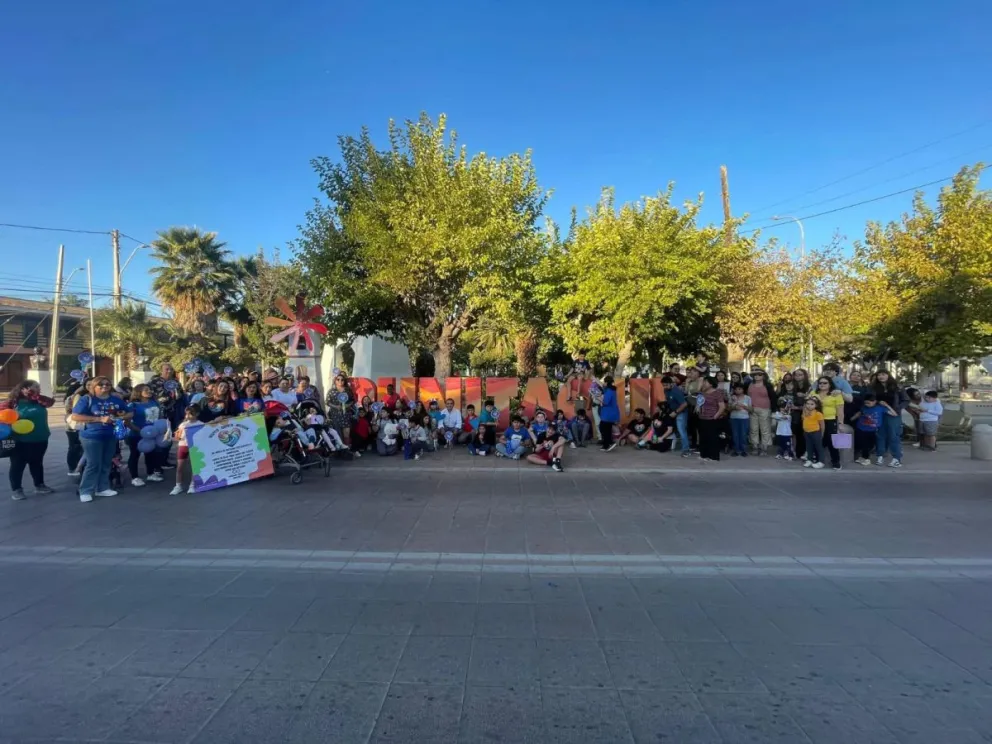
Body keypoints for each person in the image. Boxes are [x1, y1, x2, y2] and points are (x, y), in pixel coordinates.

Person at [71, 376, 129, 502]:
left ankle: (102, 488)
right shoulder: (87, 399)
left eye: (107, 384)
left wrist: (121, 416)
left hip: (111, 435)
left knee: (106, 462)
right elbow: (75, 416)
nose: (104, 386)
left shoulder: (116, 399)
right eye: (100, 385)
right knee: (93, 463)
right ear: (94, 386)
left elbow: (129, 412)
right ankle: (85, 490)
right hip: (92, 435)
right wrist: (98, 419)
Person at [4, 381, 55, 500]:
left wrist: (35, 396)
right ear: (23, 389)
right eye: (34, 387)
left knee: (37, 463)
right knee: (18, 465)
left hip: (41, 438)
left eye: (38, 387)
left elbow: (50, 402)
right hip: (21, 440)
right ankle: (17, 489)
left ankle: (39, 485)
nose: (37, 389)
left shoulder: (39, 401)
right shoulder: (13, 403)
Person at [126, 384, 164, 487]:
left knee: (151, 454)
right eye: (146, 390)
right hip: (136, 434)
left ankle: (150, 473)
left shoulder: (155, 402)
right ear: (138, 392)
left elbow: (160, 417)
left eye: (150, 389)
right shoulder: (133, 405)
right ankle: (135, 477)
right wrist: (139, 431)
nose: (150, 391)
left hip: (153, 434)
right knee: (135, 455)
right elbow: (127, 422)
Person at [871, 368, 906, 467]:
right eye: (879, 375)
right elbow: (871, 399)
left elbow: (905, 400)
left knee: (893, 436)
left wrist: (897, 409)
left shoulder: (897, 387)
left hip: (893, 414)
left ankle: (896, 458)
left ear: (888, 375)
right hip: (880, 413)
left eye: (883, 374)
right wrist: (878, 402)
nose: (881, 377)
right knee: (880, 435)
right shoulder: (874, 387)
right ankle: (880, 455)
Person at [813, 376, 845, 470]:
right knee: (818, 441)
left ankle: (836, 462)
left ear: (830, 384)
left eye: (825, 383)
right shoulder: (813, 393)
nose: (822, 385)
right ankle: (819, 460)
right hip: (816, 420)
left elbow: (840, 410)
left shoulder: (836, 394)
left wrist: (840, 423)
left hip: (830, 420)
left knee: (832, 442)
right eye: (820, 383)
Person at [169, 404, 200, 495]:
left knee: (194, 467)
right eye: (186, 414)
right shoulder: (183, 424)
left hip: (194, 447)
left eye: (191, 414)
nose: (187, 416)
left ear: (197, 414)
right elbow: (177, 437)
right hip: (183, 446)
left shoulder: (200, 424)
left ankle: (192, 485)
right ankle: (178, 486)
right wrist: (170, 436)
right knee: (179, 467)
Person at [745, 369, 776, 455]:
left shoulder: (768, 385)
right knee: (753, 429)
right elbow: (747, 396)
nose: (757, 376)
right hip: (752, 409)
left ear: (763, 376)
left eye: (759, 374)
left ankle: (764, 448)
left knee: (765, 429)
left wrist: (773, 410)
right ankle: (755, 446)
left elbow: (773, 397)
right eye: (755, 375)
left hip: (765, 409)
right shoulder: (749, 384)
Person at [696, 376, 726, 462]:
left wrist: (715, 416)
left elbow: (722, 406)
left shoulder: (717, 393)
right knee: (703, 437)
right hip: (702, 418)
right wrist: (698, 408)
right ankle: (704, 455)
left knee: (712, 438)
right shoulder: (702, 393)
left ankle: (713, 456)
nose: (704, 383)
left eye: (706, 382)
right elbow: (699, 403)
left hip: (712, 418)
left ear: (711, 384)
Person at [851, 395, 884, 466]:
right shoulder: (864, 407)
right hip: (861, 428)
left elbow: (893, 413)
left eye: (868, 403)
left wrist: (887, 406)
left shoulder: (880, 408)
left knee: (870, 445)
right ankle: (865, 458)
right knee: (863, 444)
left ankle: (866, 458)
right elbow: (859, 413)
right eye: (865, 403)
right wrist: (852, 418)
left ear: (874, 402)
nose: (867, 405)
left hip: (872, 430)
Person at [662, 376, 691, 456]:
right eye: (663, 385)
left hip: (681, 412)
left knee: (682, 430)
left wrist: (676, 412)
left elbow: (684, 404)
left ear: (671, 384)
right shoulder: (666, 390)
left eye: (666, 385)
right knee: (677, 430)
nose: (665, 387)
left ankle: (686, 450)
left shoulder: (676, 391)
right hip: (672, 411)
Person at [64, 381, 86, 478]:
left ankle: (79, 466)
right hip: (74, 427)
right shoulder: (72, 398)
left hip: (79, 426)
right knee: (74, 447)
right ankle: (73, 467)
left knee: (79, 448)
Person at [325, 373, 355, 443]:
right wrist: (335, 406)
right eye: (338, 379)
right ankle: (340, 450)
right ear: (335, 381)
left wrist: (348, 405)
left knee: (346, 434)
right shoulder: (331, 391)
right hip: (335, 415)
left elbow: (353, 400)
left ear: (344, 381)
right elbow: (327, 402)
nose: (340, 381)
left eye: (342, 380)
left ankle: (347, 450)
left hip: (346, 414)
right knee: (337, 434)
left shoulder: (348, 390)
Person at [791, 368, 812, 461]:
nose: (798, 376)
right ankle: (796, 452)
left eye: (800, 374)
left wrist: (804, 397)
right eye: (796, 374)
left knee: (804, 432)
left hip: (805, 411)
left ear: (805, 376)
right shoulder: (792, 386)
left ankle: (805, 452)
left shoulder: (809, 386)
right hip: (794, 413)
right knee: (795, 432)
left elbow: (811, 400)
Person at [801, 397, 826, 469]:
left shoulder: (818, 414)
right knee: (808, 447)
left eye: (812, 404)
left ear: (816, 405)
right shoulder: (805, 412)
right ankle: (809, 460)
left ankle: (821, 461)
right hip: (807, 432)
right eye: (807, 404)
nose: (809, 405)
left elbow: (822, 425)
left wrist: (822, 434)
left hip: (815, 432)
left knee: (819, 447)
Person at [728, 383, 751, 457]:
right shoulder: (732, 397)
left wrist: (744, 406)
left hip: (744, 418)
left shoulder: (747, 398)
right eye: (736, 389)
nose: (737, 391)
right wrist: (734, 407)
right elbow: (728, 408)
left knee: (743, 434)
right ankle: (736, 450)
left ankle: (743, 450)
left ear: (743, 390)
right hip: (734, 418)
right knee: (735, 434)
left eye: (739, 389)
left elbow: (751, 409)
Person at [598, 376, 620, 452]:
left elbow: (606, 402)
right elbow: (601, 385)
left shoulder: (609, 391)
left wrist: (598, 398)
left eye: (604, 382)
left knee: (603, 428)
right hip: (611, 413)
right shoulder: (610, 389)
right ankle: (609, 442)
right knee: (607, 428)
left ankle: (607, 444)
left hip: (608, 413)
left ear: (606, 382)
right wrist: (595, 380)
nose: (603, 383)